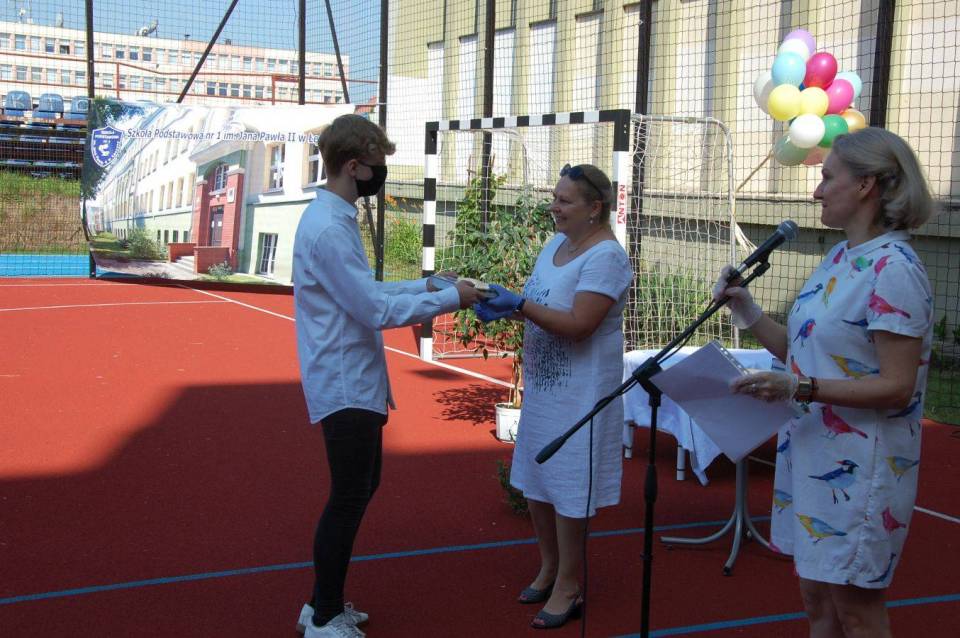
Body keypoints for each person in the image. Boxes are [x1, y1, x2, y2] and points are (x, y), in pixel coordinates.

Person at [713, 127, 935, 638]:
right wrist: (747, 311)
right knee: (817, 603)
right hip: (811, 452)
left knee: (857, 612)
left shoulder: (894, 269)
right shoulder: (839, 257)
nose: (816, 191)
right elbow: (805, 350)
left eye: (827, 177)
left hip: (863, 467)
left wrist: (800, 389)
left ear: (866, 185)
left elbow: (897, 387)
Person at [292, 114, 483, 638]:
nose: (382, 174)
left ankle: (320, 604)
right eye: (378, 164)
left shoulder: (334, 217)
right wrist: (451, 298)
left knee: (360, 487)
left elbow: (368, 292)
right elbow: (373, 309)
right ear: (353, 165)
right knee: (349, 496)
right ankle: (324, 615)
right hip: (344, 382)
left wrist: (428, 286)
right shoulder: (329, 227)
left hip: (351, 377)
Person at [476, 163, 633, 629]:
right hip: (545, 390)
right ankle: (548, 567)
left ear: (594, 207)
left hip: (581, 393)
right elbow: (539, 305)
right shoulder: (556, 244)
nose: (554, 207)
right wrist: (501, 305)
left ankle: (569, 582)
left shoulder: (606, 257)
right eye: (555, 197)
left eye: (565, 200)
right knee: (538, 480)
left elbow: (581, 325)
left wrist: (520, 305)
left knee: (568, 486)